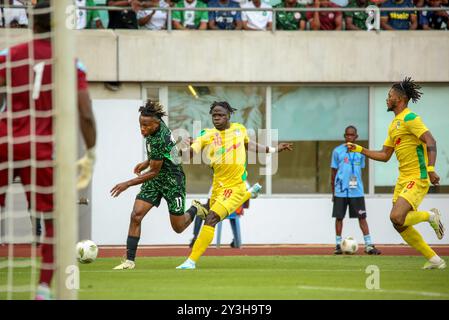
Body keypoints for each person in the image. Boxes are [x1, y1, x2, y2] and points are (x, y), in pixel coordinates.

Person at [0, 1, 97, 300]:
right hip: (42, 148)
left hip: (4, 143)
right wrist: (90, 152)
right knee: (54, 219)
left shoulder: (8, 56)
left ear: (31, 22)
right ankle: (43, 289)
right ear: (58, 23)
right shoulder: (69, 62)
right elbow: (85, 112)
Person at [176, 101, 293, 269]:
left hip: (235, 186)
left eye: (221, 115)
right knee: (208, 215)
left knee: (211, 218)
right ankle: (247, 194)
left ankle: (191, 261)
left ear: (228, 115)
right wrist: (182, 150)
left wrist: (274, 150)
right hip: (217, 186)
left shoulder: (239, 129)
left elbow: (249, 145)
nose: (217, 118)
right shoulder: (206, 134)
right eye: (214, 115)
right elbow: (191, 153)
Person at [347, 77, 446, 270]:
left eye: (389, 96)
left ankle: (430, 217)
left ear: (399, 99)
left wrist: (431, 169)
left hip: (418, 176)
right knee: (399, 223)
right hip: (403, 178)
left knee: (396, 217)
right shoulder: (394, 125)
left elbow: (431, 140)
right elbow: (385, 155)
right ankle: (435, 259)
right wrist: (360, 150)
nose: (387, 99)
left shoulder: (410, 118)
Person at [110, 100, 208, 270]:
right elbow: (164, 153)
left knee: (178, 228)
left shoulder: (159, 137)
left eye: (146, 125)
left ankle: (196, 209)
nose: (142, 129)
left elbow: (154, 170)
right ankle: (129, 261)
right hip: (155, 179)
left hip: (172, 180)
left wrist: (127, 183)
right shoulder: (156, 127)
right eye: (140, 124)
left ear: (156, 123)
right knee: (136, 215)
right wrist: (146, 161)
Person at [331, 126, 381, 255]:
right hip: (340, 191)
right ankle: (337, 244)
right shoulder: (337, 151)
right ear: (344, 136)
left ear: (356, 137)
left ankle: (369, 245)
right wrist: (333, 192)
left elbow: (360, 171)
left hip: (356, 191)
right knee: (339, 217)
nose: (349, 137)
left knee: (362, 217)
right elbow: (333, 172)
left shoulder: (361, 152)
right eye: (347, 135)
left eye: (352, 135)